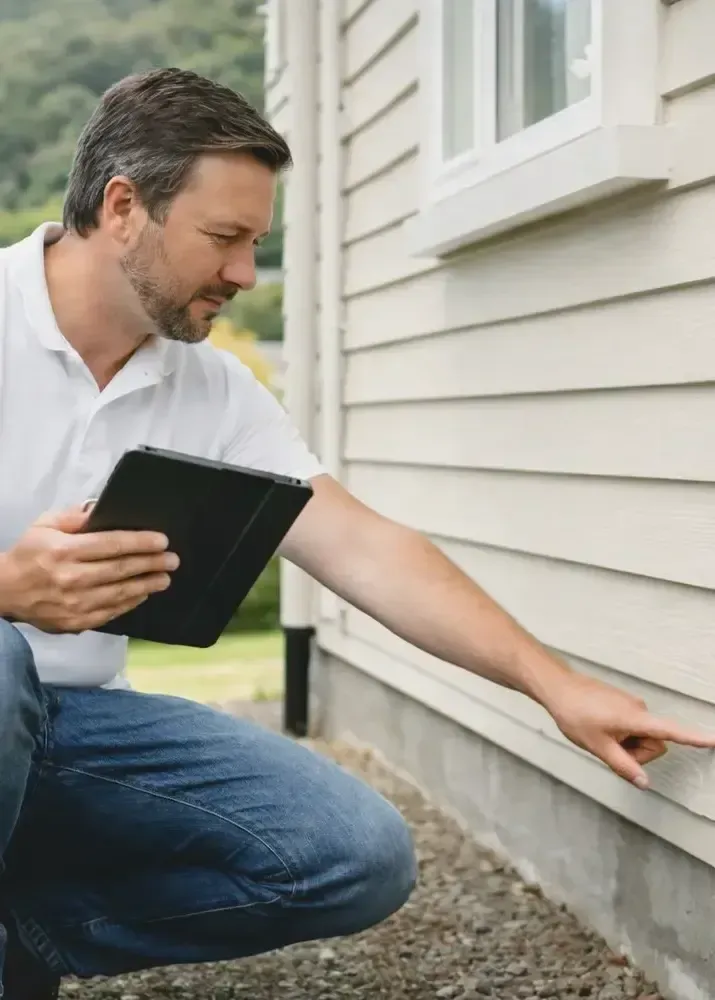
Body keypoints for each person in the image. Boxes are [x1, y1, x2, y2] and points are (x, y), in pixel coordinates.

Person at [0, 68, 713, 1000]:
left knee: (353, 854)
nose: (244, 275)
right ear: (123, 206)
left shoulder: (210, 390)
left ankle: (27, 938)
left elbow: (364, 546)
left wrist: (555, 686)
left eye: (257, 243)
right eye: (224, 238)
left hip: (77, 724)